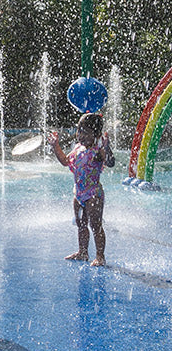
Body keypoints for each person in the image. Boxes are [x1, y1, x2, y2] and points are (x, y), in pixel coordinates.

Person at [50, 76, 114, 266]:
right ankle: (83, 252)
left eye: (85, 132)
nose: (80, 135)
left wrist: (107, 147)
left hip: (93, 194)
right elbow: (64, 161)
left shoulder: (97, 151)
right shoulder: (78, 149)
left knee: (96, 225)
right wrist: (56, 147)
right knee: (80, 224)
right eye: (79, 131)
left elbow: (110, 162)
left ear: (95, 135)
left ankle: (100, 256)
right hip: (78, 194)